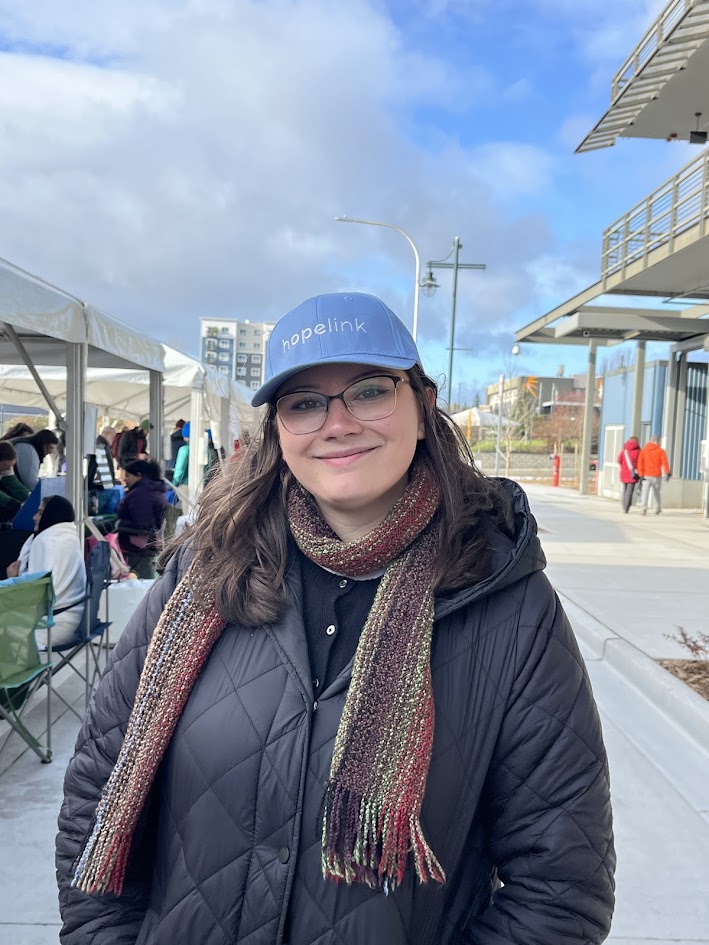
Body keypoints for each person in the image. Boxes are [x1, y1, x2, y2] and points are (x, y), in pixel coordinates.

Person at [57, 293, 615, 945]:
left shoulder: (509, 603)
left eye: (369, 390)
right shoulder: (205, 573)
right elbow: (100, 794)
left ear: (421, 404)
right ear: (278, 428)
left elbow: (559, 889)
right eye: (303, 401)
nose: (337, 422)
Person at [6, 495, 86, 648]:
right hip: (74, 622)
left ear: (52, 515)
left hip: (51, 627)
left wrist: (12, 579)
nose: (34, 517)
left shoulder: (46, 541)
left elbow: (37, 596)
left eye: (41, 513)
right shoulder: (69, 538)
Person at [115, 459, 168, 578]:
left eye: (127, 475)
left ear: (138, 475)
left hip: (137, 543)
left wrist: (117, 525)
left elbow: (141, 523)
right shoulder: (153, 490)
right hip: (151, 541)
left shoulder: (140, 495)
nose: (125, 480)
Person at [638, 434, 671, 516]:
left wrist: (641, 474)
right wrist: (667, 472)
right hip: (656, 475)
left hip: (646, 475)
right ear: (657, 441)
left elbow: (640, 463)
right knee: (656, 492)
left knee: (645, 492)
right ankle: (657, 508)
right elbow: (665, 463)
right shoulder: (660, 451)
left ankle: (643, 508)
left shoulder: (644, 450)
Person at [0, 441, 31, 523]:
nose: (8, 469)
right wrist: (12, 504)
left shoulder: (7, 467)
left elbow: (15, 485)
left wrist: (31, 497)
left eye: (11, 465)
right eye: (5, 465)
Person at [617, 435, 641, 513]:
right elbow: (640, 462)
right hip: (633, 473)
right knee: (630, 491)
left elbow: (619, 460)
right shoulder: (638, 451)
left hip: (624, 473)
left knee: (625, 489)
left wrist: (624, 467)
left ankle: (624, 505)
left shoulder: (624, 450)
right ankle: (627, 506)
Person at [172, 421, 190, 486]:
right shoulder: (206, 449)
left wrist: (174, 484)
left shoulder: (184, 450)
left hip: (185, 485)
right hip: (203, 486)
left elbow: (180, 469)